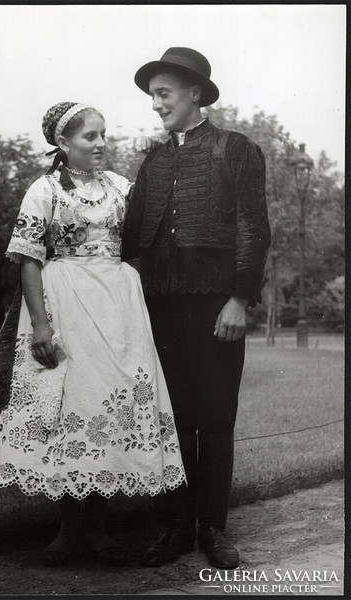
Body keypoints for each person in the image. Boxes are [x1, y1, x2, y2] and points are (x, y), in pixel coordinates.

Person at [0, 102, 186, 567]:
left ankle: (97, 528)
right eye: (90, 137)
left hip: (118, 307)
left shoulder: (122, 187)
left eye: (104, 134)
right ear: (63, 143)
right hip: (64, 302)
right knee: (67, 405)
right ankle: (69, 529)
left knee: (111, 403)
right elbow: (29, 260)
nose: (101, 143)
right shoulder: (43, 190)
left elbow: (153, 232)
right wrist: (41, 323)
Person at [122, 47, 271, 569]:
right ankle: (177, 528)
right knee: (174, 419)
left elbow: (254, 228)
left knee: (216, 417)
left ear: (194, 93)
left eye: (163, 93)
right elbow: (133, 238)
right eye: (153, 95)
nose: (155, 104)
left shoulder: (236, 149)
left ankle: (213, 529)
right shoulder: (154, 159)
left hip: (216, 306)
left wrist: (238, 298)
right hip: (161, 307)